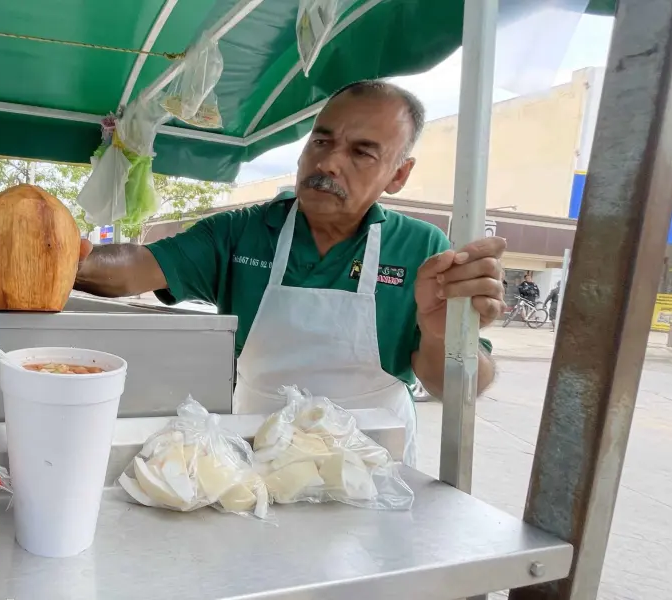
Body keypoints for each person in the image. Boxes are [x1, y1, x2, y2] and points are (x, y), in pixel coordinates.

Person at [74, 80, 505, 466]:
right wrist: (70, 258)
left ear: (399, 174)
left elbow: (455, 387)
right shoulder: (241, 232)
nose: (329, 163)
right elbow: (136, 268)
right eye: (321, 141)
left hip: (373, 467)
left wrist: (441, 336)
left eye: (361, 152)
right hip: (257, 459)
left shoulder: (422, 249)